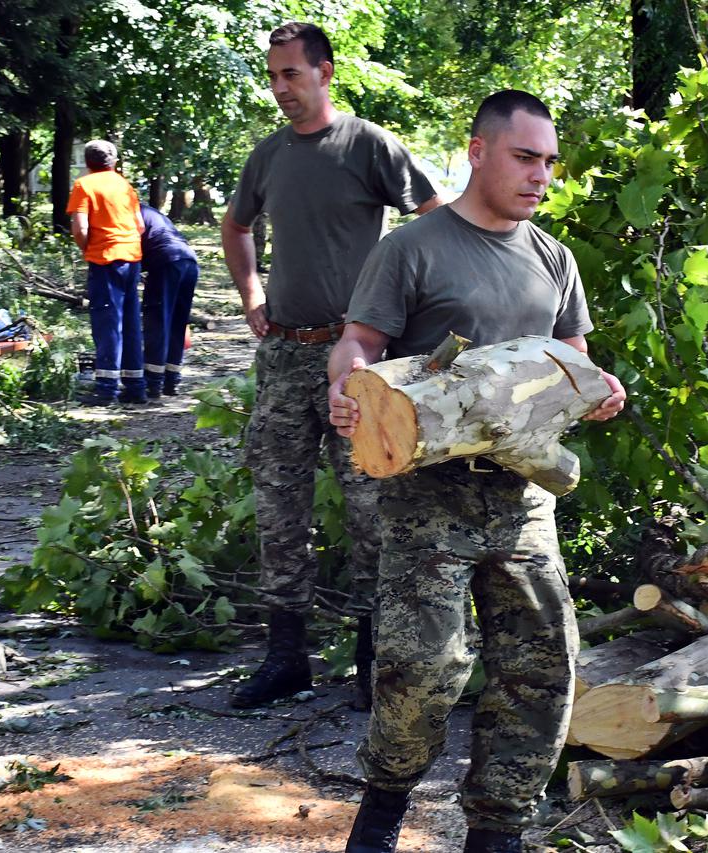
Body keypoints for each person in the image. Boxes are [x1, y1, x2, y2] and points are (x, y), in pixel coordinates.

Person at [326, 90, 626, 853]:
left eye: (549, 162)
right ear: (479, 150)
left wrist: (597, 393)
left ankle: (498, 828)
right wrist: (349, 388)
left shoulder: (552, 257)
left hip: (524, 497)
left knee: (541, 665)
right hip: (430, 497)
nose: (541, 176)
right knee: (422, 668)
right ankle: (383, 809)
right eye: (527, 157)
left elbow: (571, 359)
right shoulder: (415, 246)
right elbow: (359, 342)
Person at [220, 21, 442, 711]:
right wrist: (252, 297)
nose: (281, 88)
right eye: (274, 75)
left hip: (359, 358)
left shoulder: (367, 145)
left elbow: (432, 216)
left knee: (371, 507)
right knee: (278, 510)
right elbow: (236, 226)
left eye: (292, 73)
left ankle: (376, 661)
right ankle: (286, 656)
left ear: (325, 73)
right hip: (286, 354)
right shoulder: (269, 156)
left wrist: (399, 314)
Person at [68, 140, 146, 405]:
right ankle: (136, 386)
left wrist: (88, 248)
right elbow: (140, 226)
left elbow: (80, 229)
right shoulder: (125, 185)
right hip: (131, 257)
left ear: (88, 162)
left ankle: (106, 390)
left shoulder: (84, 185)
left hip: (104, 259)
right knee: (131, 319)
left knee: (107, 321)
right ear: (114, 161)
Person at [138, 203, 199, 398]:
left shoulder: (127, 211)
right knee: (177, 323)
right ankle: (172, 381)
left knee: (157, 320)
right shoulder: (150, 212)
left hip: (166, 260)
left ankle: (153, 383)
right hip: (189, 260)